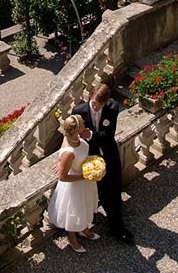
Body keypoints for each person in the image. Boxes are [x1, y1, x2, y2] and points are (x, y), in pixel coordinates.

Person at [72, 83, 134, 244]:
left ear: (106, 102)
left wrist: (90, 134)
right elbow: (70, 136)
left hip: (109, 155)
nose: (96, 107)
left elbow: (108, 135)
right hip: (88, 158)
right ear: (90, 97)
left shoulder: (113, 108)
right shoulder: (79, 111)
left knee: (113, 191)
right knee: (90, 193)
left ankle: (117, 227)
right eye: (94, 103)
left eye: (100, 105)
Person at [47, 114, 100, 253]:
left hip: (84, 180)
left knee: (85, 206)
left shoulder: (73, 136)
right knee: (74, 212)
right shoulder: (68, 152)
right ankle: (72, 238)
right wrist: (84, 176)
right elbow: (63, 177)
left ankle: (84, 229)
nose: (85, 124)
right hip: (75, 184)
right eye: (83, 123)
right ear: (77, 130)